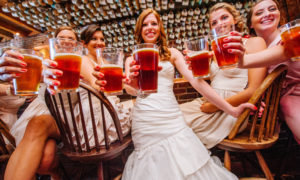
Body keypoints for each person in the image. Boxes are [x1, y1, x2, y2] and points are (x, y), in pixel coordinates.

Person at [94, 8, 255, 179]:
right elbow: (131, 89)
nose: (150, 27)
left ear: (160, 28)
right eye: (145, 24)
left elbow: (197, 83)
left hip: (170, 116)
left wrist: (231, 109)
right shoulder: (131, 58)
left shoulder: (173, 54)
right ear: (139, 29)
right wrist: (133, 85)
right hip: (144, 118)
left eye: (154, 23)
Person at [179, 2, 267, 149]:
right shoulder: (214, 51)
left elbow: (254, 91)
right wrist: (197, 66)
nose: (219, 24)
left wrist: (213, 107)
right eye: (214, 22)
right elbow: (206, 80)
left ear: (235, 20)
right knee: (168, 116)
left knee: (175, 126)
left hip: (231, 111)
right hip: (207, 102)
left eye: (224, 18)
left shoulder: (253, 43)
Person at [245, 0, 300, 144]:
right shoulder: (252, 47)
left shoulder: (290, 35)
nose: (267, 14)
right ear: (250, 24)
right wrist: (260, 96)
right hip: (285, 103)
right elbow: (254, 84)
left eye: (272, 9)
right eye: (259, 12)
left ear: (279, 14)